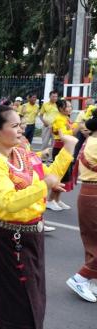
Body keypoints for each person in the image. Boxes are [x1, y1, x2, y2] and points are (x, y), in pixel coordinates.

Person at [0, 105, 76, 329]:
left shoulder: (22, 153)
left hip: (30, 233)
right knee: (20, 301)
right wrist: (43, 187)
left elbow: (47, 177)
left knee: (31, 299)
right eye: (15, 125)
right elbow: (8, 201)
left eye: (21, 124)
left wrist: (68, 150)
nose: (21, 129)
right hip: (8, 237)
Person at [66, 115, 97, 302]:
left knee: (93, 242)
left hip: (89, 193)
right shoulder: (95, 142)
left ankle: (91, 281)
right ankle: (80, 278)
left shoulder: (91, 140)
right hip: (93, 193)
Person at [47, 99, 74, 211]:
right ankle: (50, 200)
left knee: (64, 176)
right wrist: (75, 128)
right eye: (68, 107)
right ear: (60, 109)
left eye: (70, 106)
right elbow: (63, 135)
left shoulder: (65, 118)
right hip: (60, 148)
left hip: (66, 147)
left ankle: (57, 200)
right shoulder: (59, 119)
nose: (70, 108)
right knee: (59, 176)